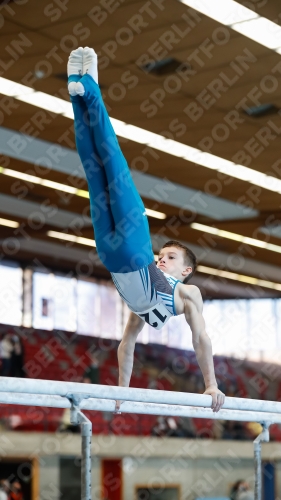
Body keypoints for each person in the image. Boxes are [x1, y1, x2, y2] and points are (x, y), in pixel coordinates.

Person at [67, 47, 224, 413]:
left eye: (170, 257)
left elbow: (194, 337)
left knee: (93, 170)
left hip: (111, 254)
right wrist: (211, 384)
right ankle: (88, 88)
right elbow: (193, 338)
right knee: (111, 161)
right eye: (164, 254)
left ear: (186, 270)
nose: (164, 258)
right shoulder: (159, 277)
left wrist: (123, 393)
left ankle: (78, 97)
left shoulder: (187, 294)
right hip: (133, 250)